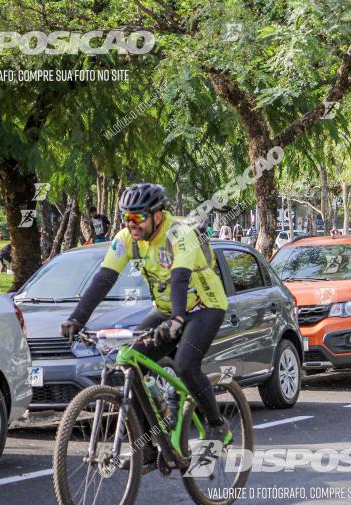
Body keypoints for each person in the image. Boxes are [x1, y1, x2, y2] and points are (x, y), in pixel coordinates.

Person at [60, 182, 232, 450]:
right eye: (127, 218)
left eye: (138, 217)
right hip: (166, 309)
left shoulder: (180, 233)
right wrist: (76, 318)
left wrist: (177, 320)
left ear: (158, 216)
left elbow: (179, 277)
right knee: (132, 362)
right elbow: (104, 279)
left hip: (204, 306)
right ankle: (150, 446)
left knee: (187, 364)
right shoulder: (126, 238)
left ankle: (216, 424)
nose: (132, 224)